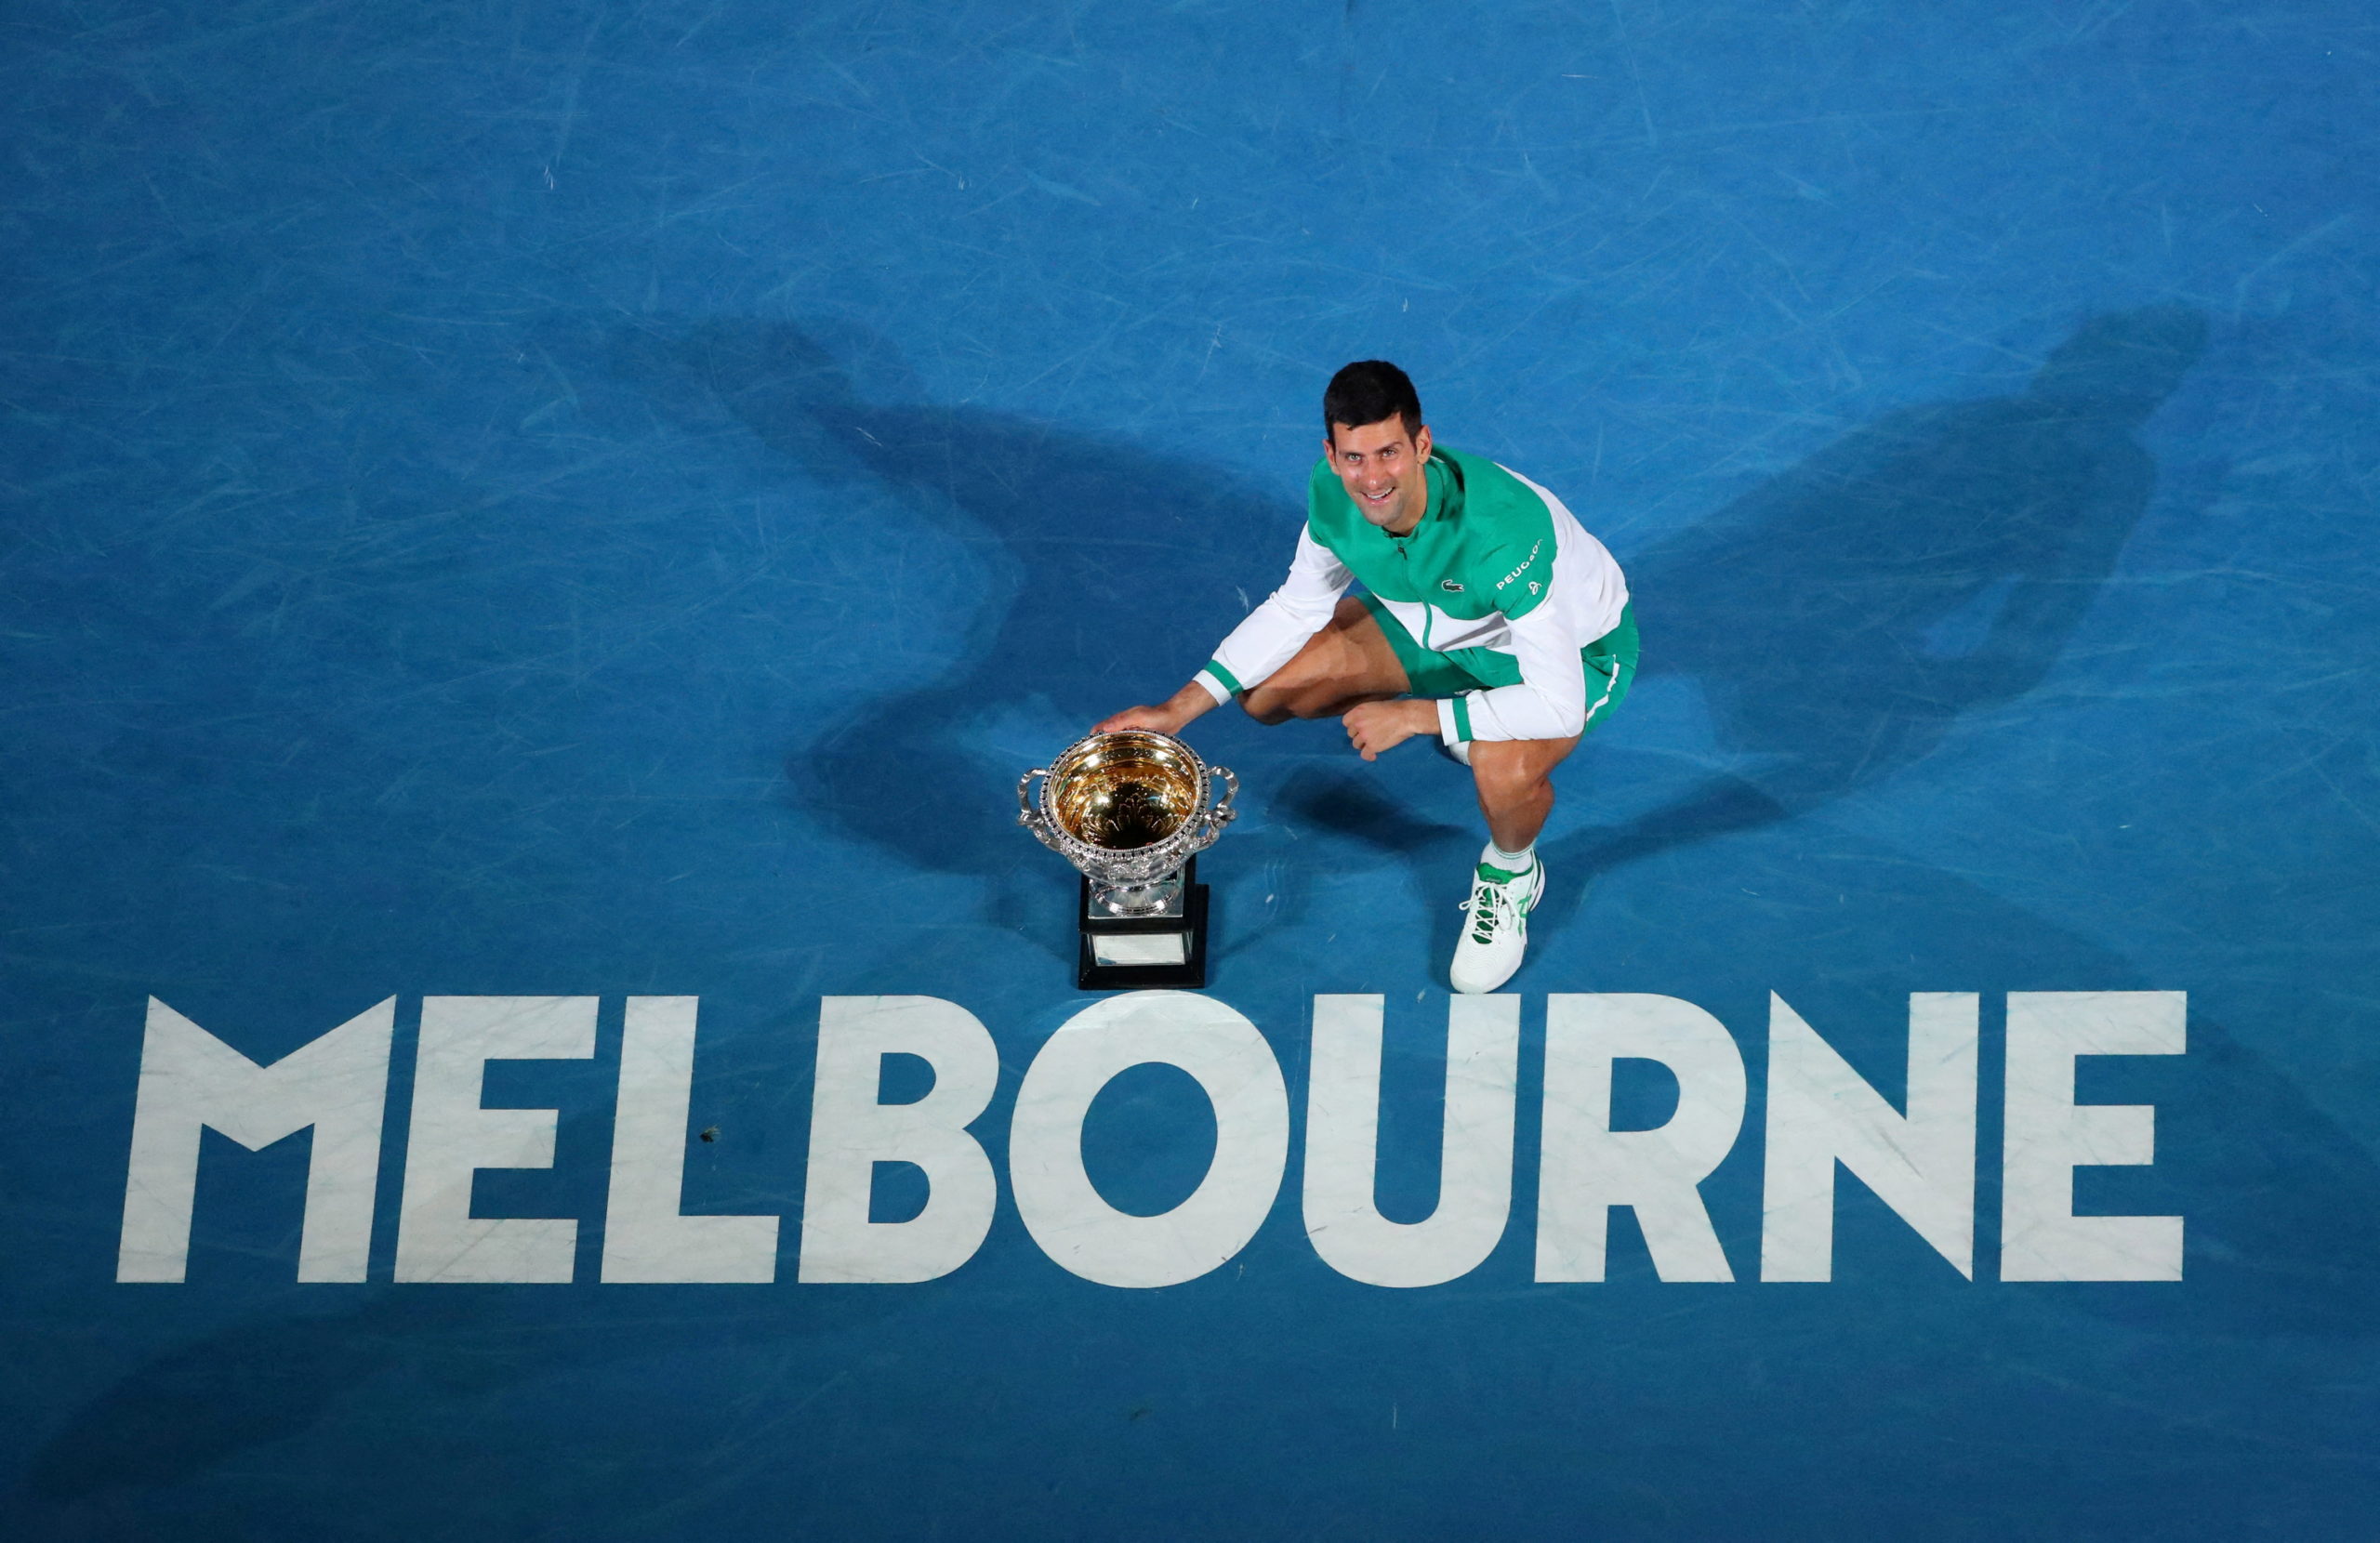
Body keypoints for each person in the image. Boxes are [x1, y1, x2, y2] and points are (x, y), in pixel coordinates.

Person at [1097, 361, 1636, 992]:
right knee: (1267, 694)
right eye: (1354, 458)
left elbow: (1558, 705)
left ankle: (1513, 871)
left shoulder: (1503, 537)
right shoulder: (1334, 496)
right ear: (1331, 454)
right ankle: (1474, 708)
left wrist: (1415, 716)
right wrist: (1178, 709)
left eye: (1389, 454)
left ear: (1422, 445)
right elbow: (1299, 606)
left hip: (1571, 656)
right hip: (1441, 626)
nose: (1373, 478)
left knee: (1502, 769)